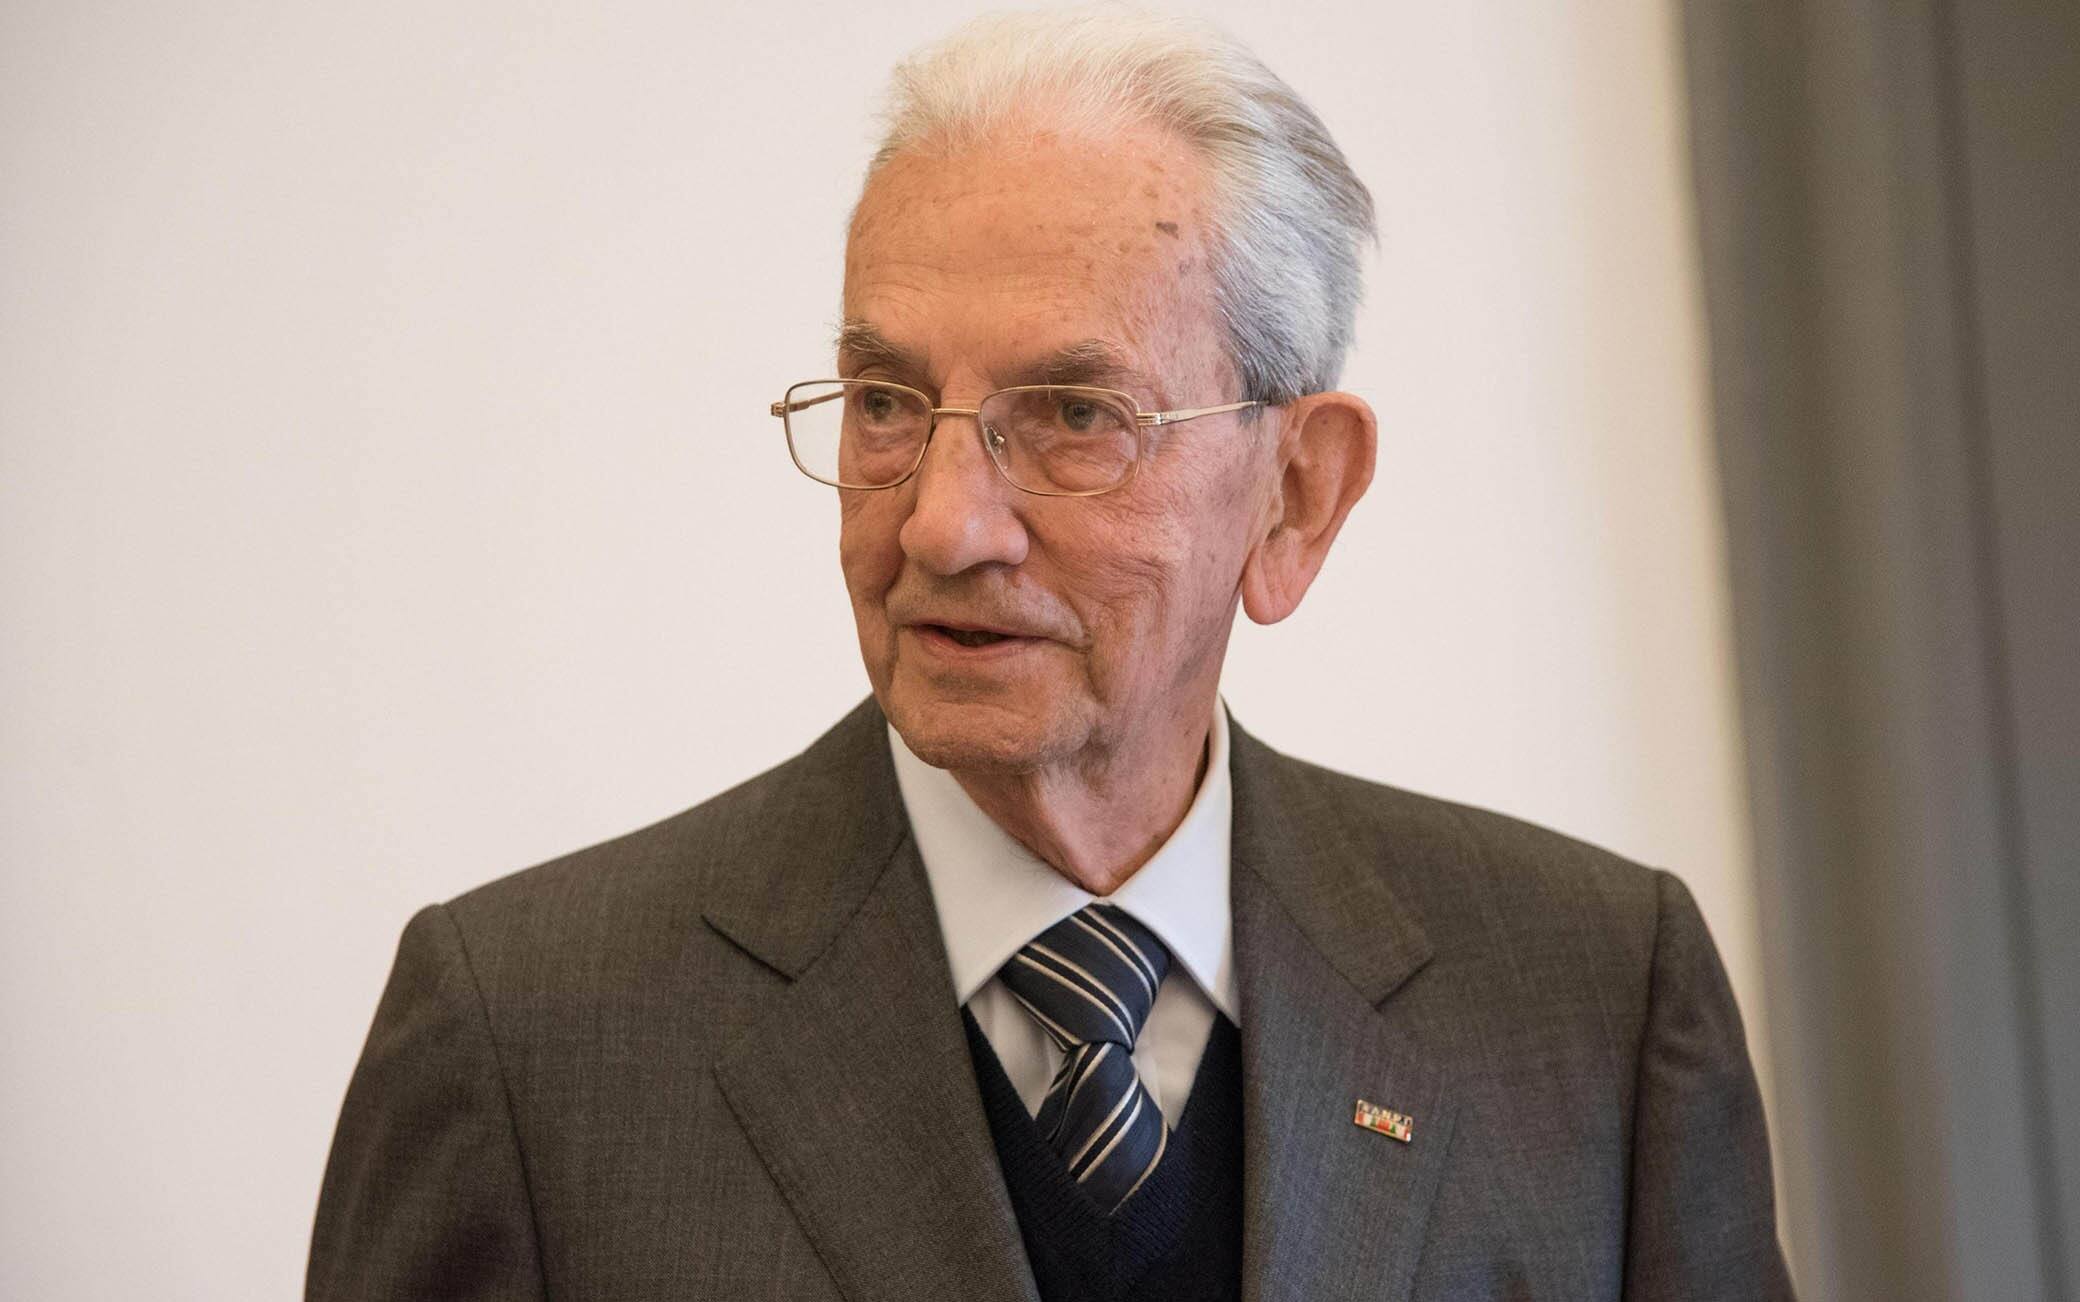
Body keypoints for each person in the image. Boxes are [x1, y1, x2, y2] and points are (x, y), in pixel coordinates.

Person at [307, 8, 1794, 1300]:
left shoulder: (1590, 1003)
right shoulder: (527, 1042)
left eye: (1076, 415)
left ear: (1296, 493)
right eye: (887, 401)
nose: (944, 524)